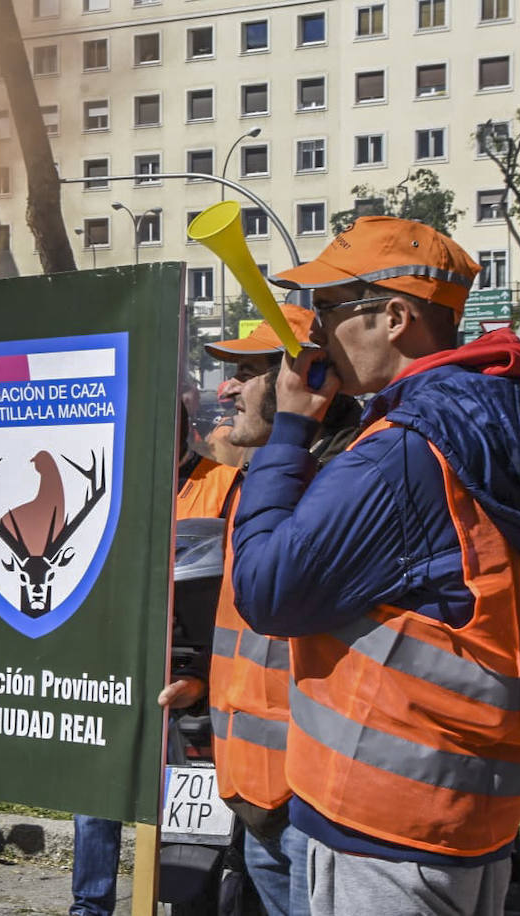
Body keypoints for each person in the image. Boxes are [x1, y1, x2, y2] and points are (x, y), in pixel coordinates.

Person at [231, 216, 520, 915]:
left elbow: (266, 588)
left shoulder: (402, 451)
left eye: (330, 310)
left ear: (395, 317)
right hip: (474, 803)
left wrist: (292, 429)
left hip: (381, 816)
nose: (315, 334)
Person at [156, 308, 359, 916]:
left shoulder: (340, 484)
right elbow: (252, 625)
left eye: (247, 372)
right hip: (254, 792)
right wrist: (205, 682)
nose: (227, 388)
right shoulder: (254, 484)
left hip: (314, 802)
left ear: (305, 382)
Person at [69, 404, 240, 916]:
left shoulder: (227, 484)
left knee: (202, 809)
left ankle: (200, 899)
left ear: (184, 429)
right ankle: (90, 905)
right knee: (98, 794)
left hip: (202, 673)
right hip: (121, 664)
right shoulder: (106, 490)